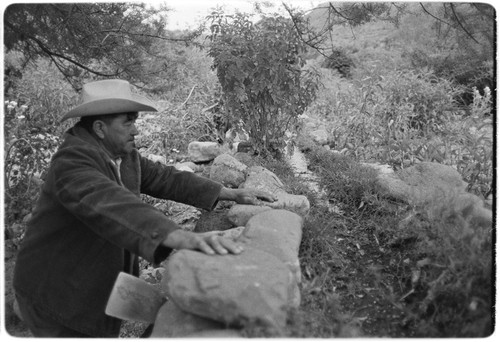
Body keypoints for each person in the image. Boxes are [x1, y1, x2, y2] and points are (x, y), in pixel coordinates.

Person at [12, 79, 276, 337]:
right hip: (57, 293)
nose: (136, 130)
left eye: (135, 121)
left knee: (162, 317)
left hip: (95, 279)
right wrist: (176, 236)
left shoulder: (124, 157)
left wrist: (228, 192)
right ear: (101, 128)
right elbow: (109, 202)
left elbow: (166, 178)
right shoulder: (71, 162)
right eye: (128, 122)